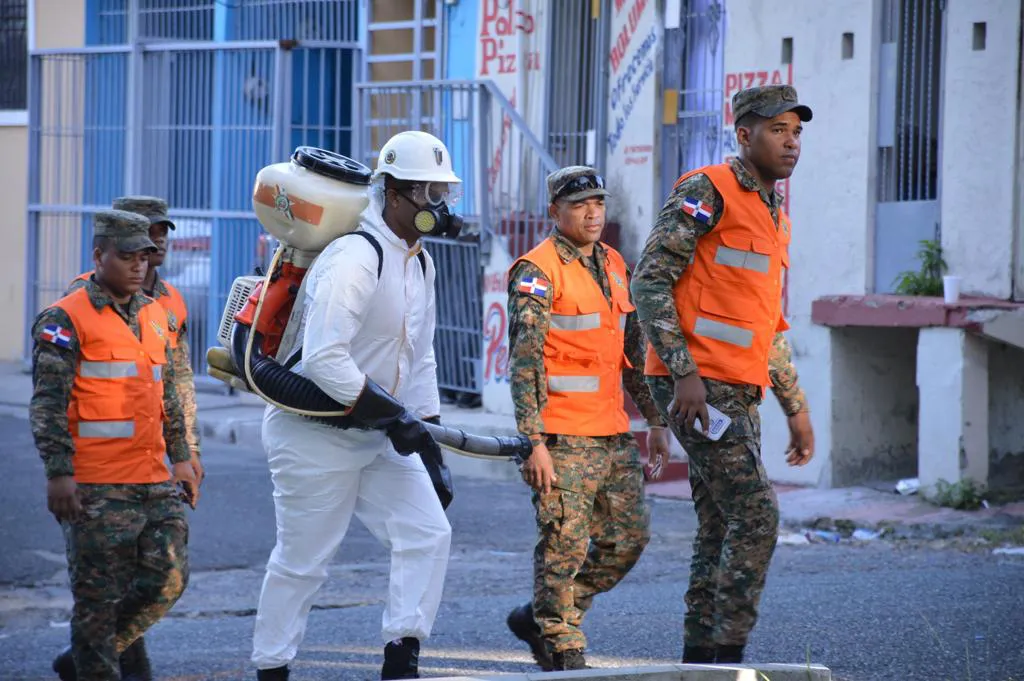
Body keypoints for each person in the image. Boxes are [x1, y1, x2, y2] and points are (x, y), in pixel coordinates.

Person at [250, 131, 461, 681]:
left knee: (428, 533)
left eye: (444, 194)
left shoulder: (419, 262)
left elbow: (421, 357)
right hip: (313, 433)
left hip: (377, 431)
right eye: (428, 194)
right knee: (303, 563)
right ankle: (271, 667)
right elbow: (324, 361)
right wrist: (396, 417)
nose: (437, 208)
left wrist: (430, 436)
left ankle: (401, 659)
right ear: (391, 192)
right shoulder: (355, 256)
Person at [630, 85, 816, 665]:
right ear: (744, 134)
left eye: (796, 131)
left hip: (739, 387)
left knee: (719, 524)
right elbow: (648, 281)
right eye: (777, 130)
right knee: (757, 514)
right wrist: (683, 372)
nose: (790, 142)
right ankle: (728, 658)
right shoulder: (707, 190)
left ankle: (700, 661)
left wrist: (796, 408)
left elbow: (768, 325)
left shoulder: (773, 210)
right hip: (697, 388)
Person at [503, 166, 671, 671]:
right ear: (555, 212)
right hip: (561, 434)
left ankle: (544, 614)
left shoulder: (616, 263)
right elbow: (525, 362)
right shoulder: (536, 271)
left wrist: (655, 421)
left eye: (598, 202)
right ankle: (563, 643)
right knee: (564, 544)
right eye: (579, 205)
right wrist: (533, 441)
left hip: (612, 430)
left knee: (628, 538)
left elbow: (634, 351)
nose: (592, 212)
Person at [30, 209, 197, 681]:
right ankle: (93, 661)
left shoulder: (153, 312)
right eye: (126, 257)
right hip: (95, 484)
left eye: (144, 256)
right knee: (97, 602)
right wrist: (59, 474)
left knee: (169, 579)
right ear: (99, 255)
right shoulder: (65, 318)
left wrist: (182, 458)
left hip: (152, 476)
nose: (139, 266)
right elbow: (47, 404)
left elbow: (167, 391)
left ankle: (83, 655)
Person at [66, 196, 203, 487]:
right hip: (99, 465)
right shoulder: (83, 297)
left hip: (151, 457)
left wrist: (188, 448)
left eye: (163, 232)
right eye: (150, 232)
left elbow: (178, 378)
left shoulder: (170, 300)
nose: (158, 241)